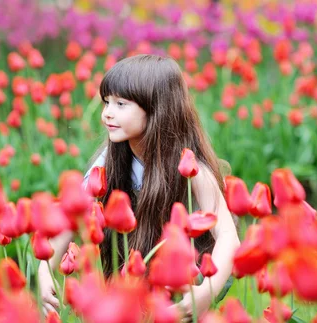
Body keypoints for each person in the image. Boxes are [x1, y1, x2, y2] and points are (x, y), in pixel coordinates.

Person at [38, 54, 240, 320]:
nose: (107, 113)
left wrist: (206, 293)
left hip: (182, 285)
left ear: (157, 108)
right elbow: (70, 221)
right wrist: (45, 269)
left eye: (121, 104)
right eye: (106, 102)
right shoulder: (108, 163)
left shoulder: (191, 168)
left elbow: (229, 237)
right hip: (129, 281)